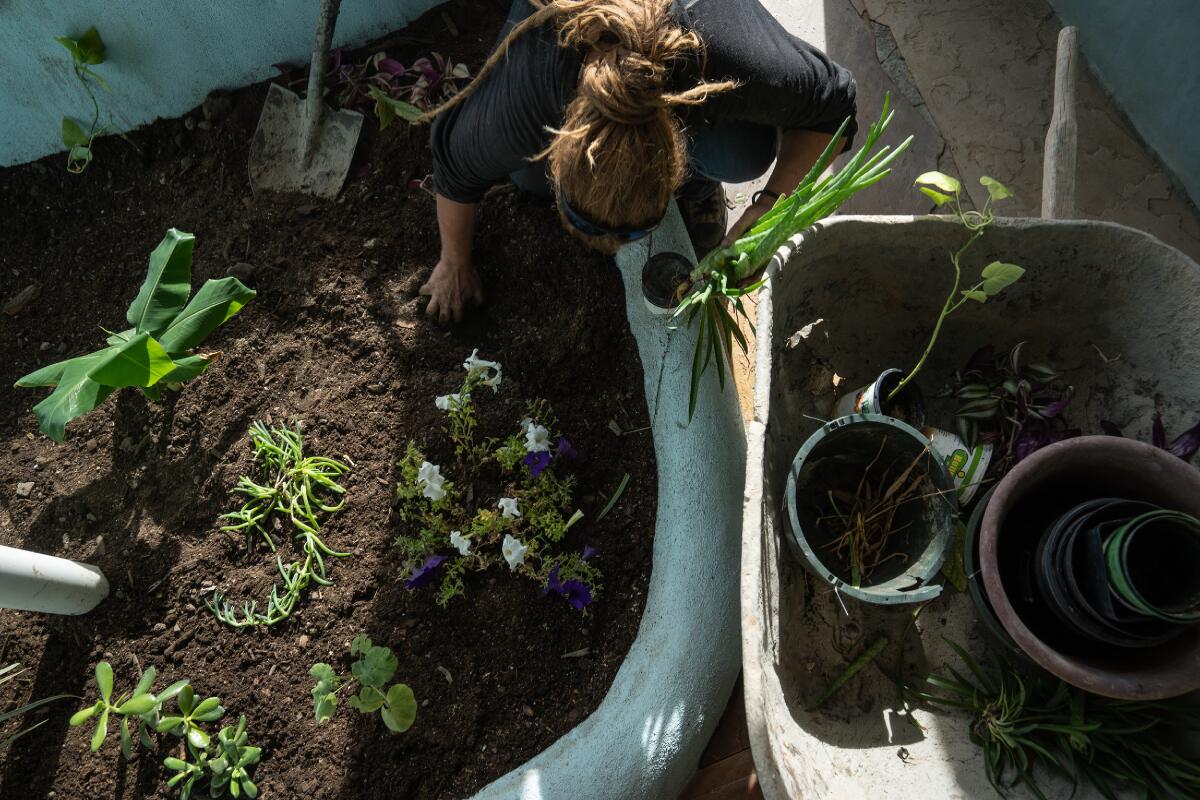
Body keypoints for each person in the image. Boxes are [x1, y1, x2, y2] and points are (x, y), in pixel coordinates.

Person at [418, 0, 858, 323]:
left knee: (742, 155)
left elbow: (835, 103)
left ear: (675, 159)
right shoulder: (525, 92)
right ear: (561, 154)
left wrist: (770, 205)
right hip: (559, 29)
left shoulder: (725, 56)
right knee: (527, 181)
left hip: (687, 22)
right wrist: (453, 261)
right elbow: (454, 168)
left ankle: (702, 187)